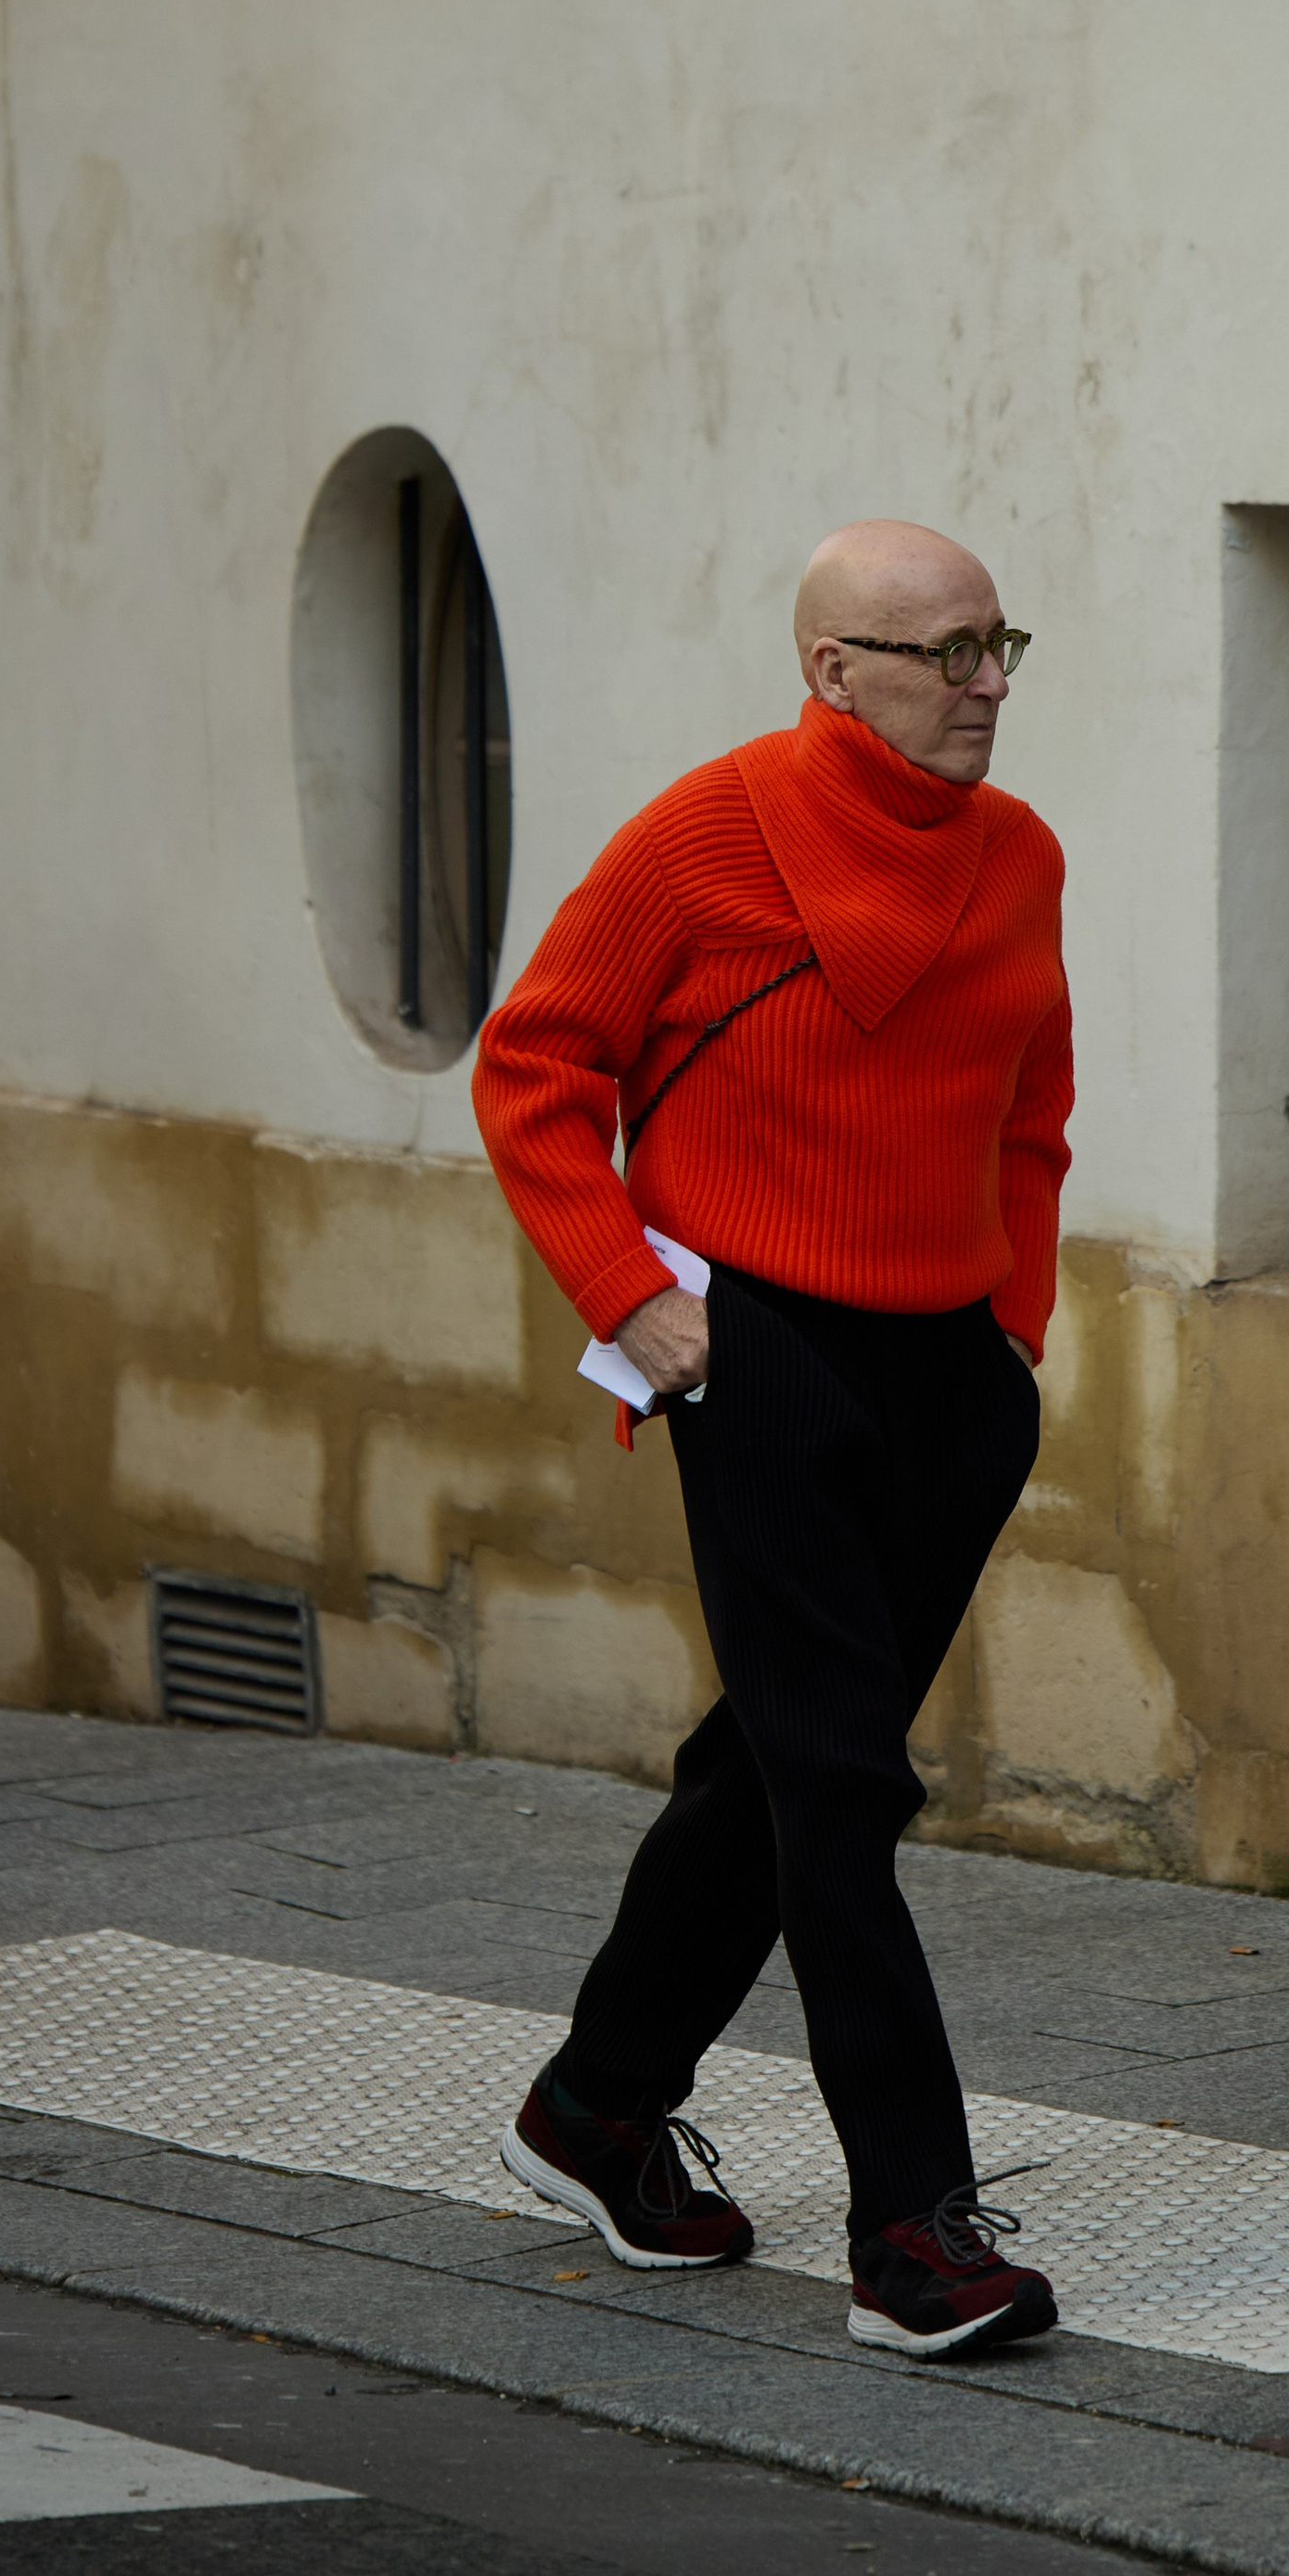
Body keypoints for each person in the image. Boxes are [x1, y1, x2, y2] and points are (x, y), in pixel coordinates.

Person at [470, 519, 1072, 2359]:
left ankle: (592, 2108)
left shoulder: (1018, 854)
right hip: (762, 1359)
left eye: (999, 646)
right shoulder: (703, 836)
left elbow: (1032, 1111)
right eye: (945, 651)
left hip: (948, 1375)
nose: (984, 684)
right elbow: (533, 1070)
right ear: (835, 673)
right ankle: (912, 2233)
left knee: (773, 1770)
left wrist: (1012, 1337)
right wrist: (630, 1306)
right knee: (840, 1793)